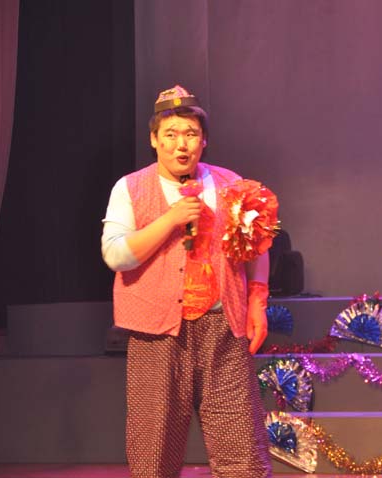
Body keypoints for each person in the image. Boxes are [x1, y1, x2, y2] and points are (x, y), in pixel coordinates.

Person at [101, 85, 272, 478]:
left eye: (191, 134)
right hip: (156, 332)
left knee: (242, 448)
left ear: (204, 140)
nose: (182, 144)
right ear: (154, 139)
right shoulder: (131, 188)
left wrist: (258, 301)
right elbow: (116, 255)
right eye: (171, 134)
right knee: (153, 448)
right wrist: (171, 220)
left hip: (222, 327)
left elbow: (257, 246)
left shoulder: (231, 184)